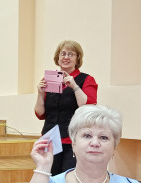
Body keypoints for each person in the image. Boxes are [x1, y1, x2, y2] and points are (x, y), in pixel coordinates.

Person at [34, 39, 98, 175]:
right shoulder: (51, 79)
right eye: (62, 54)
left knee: (68, 177)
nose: (66, 57)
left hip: (73, 139)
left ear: (77, 58)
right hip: (50, 138)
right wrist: (40, 94)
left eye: (71, 54)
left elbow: (88, 108)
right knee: (48, 176)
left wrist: (74, 86)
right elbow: (40, 114)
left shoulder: (86, 80)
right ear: (58, 58)